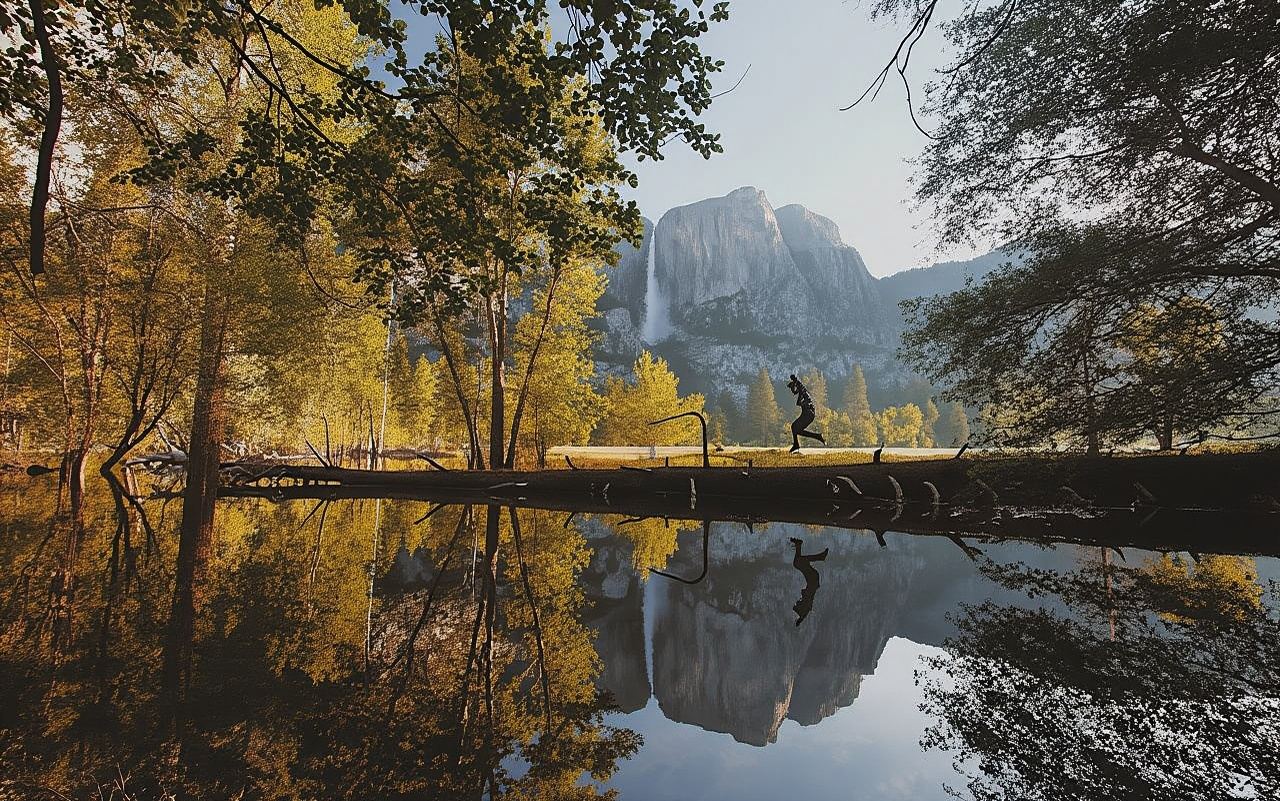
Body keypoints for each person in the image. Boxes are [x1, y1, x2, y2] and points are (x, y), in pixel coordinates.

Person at [787, 373, 825, 453]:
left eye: (792, 389)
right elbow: (800, 386)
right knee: (796, 429)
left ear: (795, 386)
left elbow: (800, 402)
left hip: (809, 414)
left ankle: (797, 444)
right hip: (807, 413)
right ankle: (817, 436)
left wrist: (795, 381)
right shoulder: (801, 391)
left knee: (794, 427)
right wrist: (795, 381)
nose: (792, 391)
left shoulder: (803, 392)